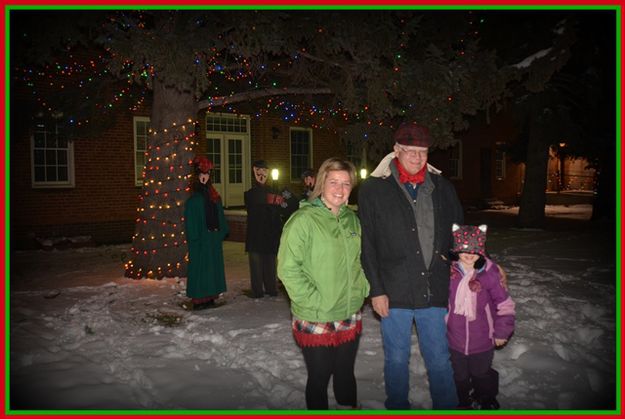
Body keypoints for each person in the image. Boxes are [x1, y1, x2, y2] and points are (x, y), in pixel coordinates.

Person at [358, 122, 464, 410]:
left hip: (434, 289)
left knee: (440, 360)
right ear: (396, 150)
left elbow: (460, 234)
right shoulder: (373, 190)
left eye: (422, 152)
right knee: (395, 359)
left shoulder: (442, 188)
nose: (417, 158)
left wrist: (481, 266)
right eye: (410, 151)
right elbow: (367, 244)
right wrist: (376, 290)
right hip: (394, 293)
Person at [277, 158, 370, 410]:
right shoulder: (303, 220)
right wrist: (313, 300)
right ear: (321, 184)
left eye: (346, 183)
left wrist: (362, 288)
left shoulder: (352, 220)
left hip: (349, 310)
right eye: (333, 182)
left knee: (345, 373)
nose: (340, 189)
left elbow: (360, 260)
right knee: (320, 377)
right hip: (316, 314)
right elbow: (287, 269)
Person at [447, 224, 515, 410]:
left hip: (483, 337)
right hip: (454, 338)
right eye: (463, 249)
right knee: (459, 375)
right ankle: (462, 400)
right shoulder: (449, 273)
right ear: (456, 249)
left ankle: (486, 397)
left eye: (475, 250)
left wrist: (502, 331)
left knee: (481, 373)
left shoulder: (490, 274)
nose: (469, 254)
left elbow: (505, 304)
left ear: (482, 251)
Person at [183, 155, 229, 310]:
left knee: (211, 270)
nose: (204, 177)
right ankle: (199, 299)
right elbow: (190, 223)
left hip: (212, 240)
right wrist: (195, 239)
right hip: (201, 242)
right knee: (201, 269)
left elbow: (220, 217)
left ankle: (211, 296)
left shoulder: (214, 197)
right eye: (201, 175)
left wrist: (221, 232)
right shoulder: (193, 201)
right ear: (197, 177)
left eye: (207, 175)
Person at [244, 160, 285, 298]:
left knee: (270, 264)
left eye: (264, 171)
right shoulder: (250, 194)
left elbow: (281, 206)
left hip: (269, 233)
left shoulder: (273, 192)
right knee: (256, 264)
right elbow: (257, 200)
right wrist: (272, 199)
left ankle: (270, 288)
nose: (261, 174)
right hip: (256, 234)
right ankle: (257, 291)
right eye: (258, 171)